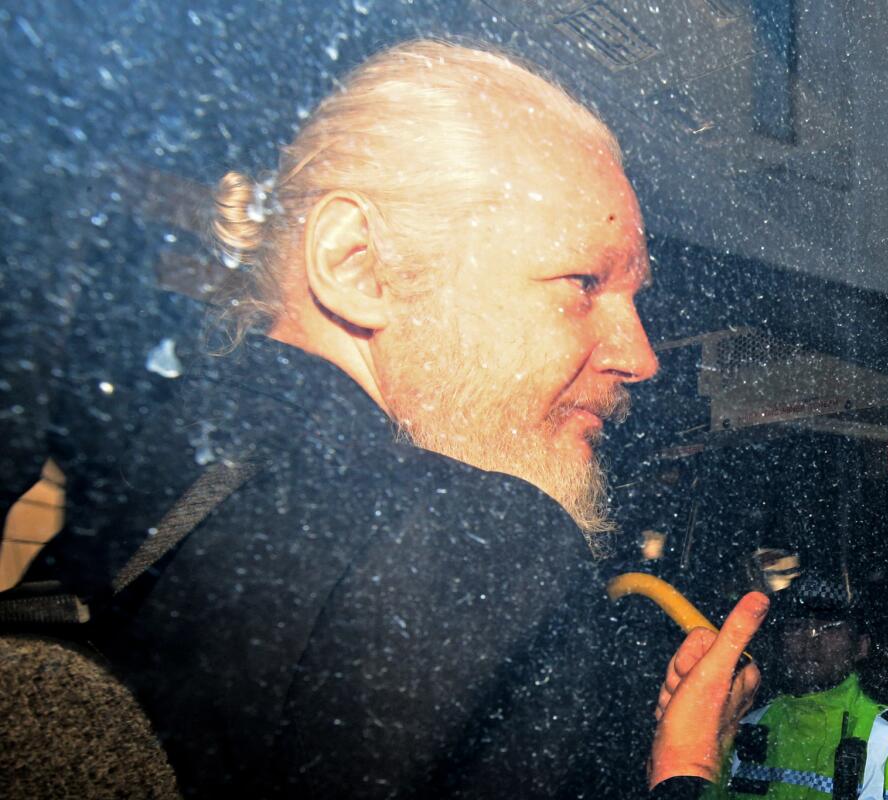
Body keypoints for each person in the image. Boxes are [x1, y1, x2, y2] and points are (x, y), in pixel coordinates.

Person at [24, 39, 761, 798]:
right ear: (358, 267)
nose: (641, 356)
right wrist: (684, 770)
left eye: (632, 298)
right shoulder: (484, 543)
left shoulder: (139, 492)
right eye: (583, 281)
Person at [700, 567, 888, 800]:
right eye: (798, 626)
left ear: (861, 646)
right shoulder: (741, 731)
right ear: (781, 642)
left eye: (831, 627)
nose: (811, 639)